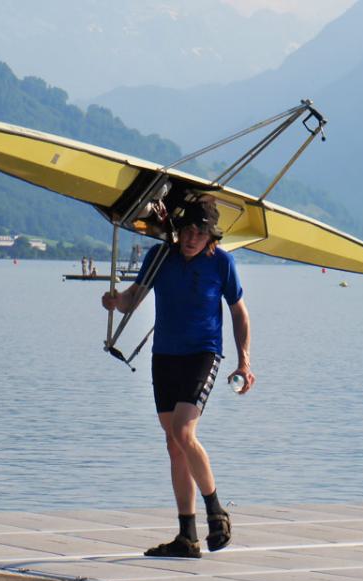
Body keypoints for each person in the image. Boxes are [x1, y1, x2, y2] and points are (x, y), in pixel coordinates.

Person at [100, 195, 253, 558]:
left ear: (211, 237)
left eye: (200, 232)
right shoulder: (159, 258)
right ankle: (187, 536)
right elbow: (134, 297)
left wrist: (244, 361)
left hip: (203, 354)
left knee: (184, 431)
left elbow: (239, 314)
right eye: (187, 230)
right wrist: (115, 301)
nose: (191, 238)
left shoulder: (222, 264)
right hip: (164, 356)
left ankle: (216, 511)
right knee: (173, 443)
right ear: (178, 230)